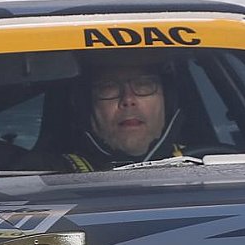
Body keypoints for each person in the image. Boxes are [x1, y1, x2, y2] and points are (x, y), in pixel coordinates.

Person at [55, 60, 185, 171]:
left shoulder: (196, 162)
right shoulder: (51, 175)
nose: (128, 100)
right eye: (108, 87)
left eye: (143, 84)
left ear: (168, 102)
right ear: (86, 107)